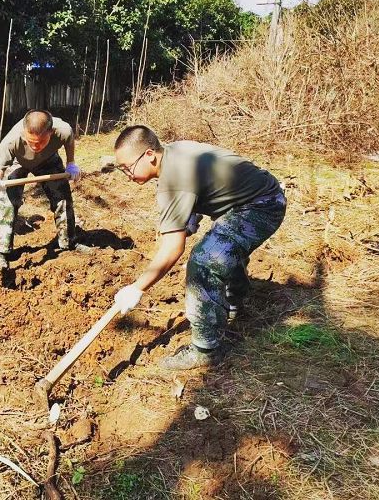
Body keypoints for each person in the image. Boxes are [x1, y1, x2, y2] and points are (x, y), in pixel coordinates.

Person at [111, 125, 286, 370]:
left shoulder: (173, 179)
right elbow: (198, 188)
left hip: (262, 205)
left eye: (126, 167)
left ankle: (206, 350)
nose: (126, 174)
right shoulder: (173, 153)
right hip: (247, 198)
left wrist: (137, 288)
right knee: (219, 246)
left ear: (150, 155)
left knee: (204, 260)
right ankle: (233, 298)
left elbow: (174, 247)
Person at [0, 109, 90, 270]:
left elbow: (69, 141)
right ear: (24, 132)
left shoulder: (63, 130)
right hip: (18, 161)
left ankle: (68, 242)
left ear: (51, 132)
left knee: (63, 198)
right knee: (7, 201)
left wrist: (71, 163)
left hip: (49, 159)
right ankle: (1, 252)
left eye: (41, 142)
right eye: (31, 141)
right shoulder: (11, 141)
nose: (36, 146)